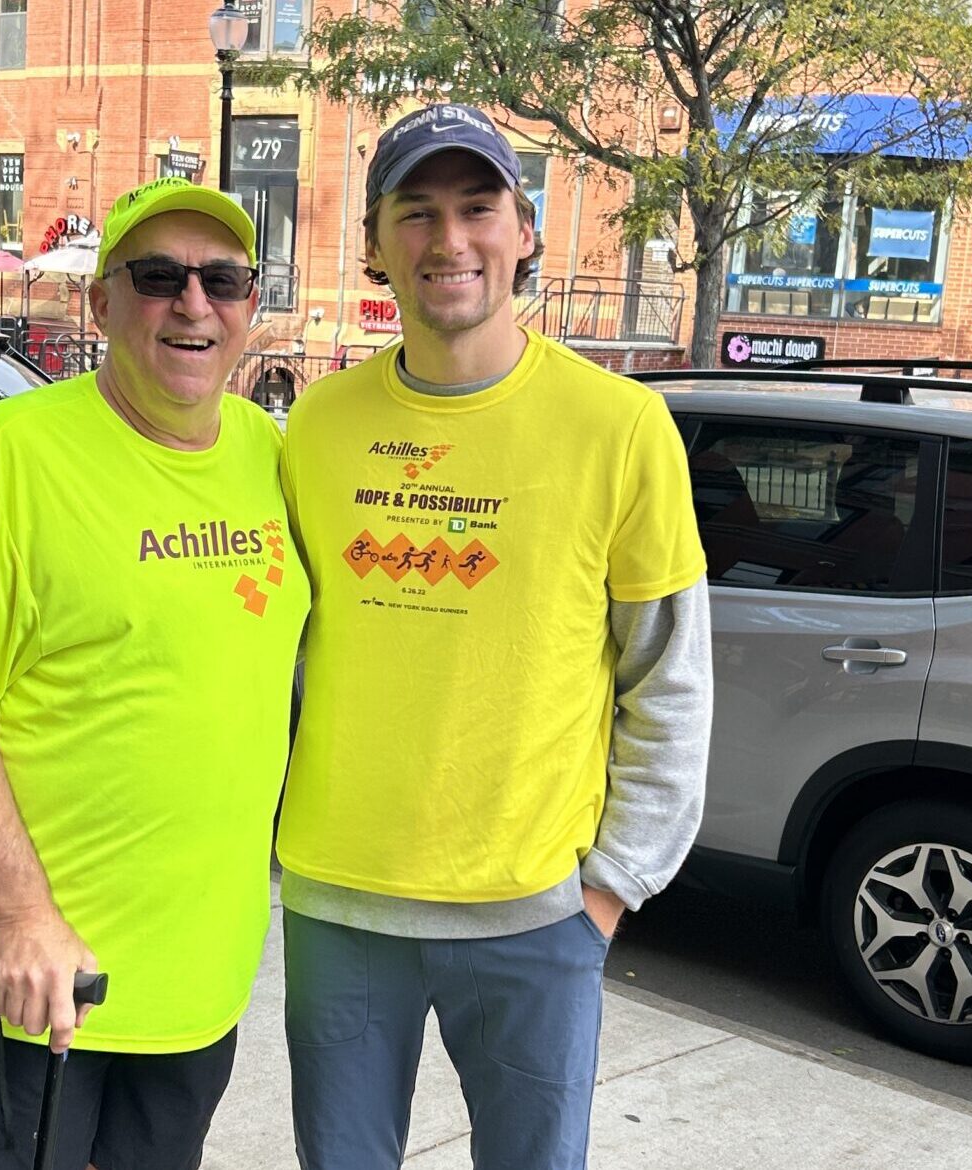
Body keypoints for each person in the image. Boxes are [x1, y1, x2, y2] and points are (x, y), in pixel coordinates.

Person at [277, 104, 713, 1170]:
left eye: (478, 208)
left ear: (526, 230)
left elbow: (670, 676)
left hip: (534, 915)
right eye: (415, 213)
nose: (449, 240)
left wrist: (607, 892)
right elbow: (276, 655)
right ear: (375, 244)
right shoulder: (315, 430)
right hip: (340, 906)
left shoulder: (620, 428)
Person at [0, 176, 310, 1170]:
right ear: (100, 303)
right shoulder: (5, 458)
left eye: (224, 279)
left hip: (200, 982)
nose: (193, 303)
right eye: (157, 276)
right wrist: (22, 915)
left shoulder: (268, 453)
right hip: (43, 983)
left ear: (251, 303)